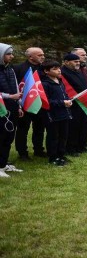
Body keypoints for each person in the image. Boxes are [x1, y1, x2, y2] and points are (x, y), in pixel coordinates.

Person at [14, 46, 46, 160]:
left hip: (40, 103)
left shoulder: (45, 68)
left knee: (40, 128)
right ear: (30, 56)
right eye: (39, 55)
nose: (43, 57)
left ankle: (38, 150)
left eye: (43, 54)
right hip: (24, 103)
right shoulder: (18, 68)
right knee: (23, 129)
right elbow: (15, 87)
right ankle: (22, 152)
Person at [41, 60, 73, 166]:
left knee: (64, 135)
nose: (59, 70)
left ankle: (61, 155)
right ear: (46, 71)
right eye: (54, 69)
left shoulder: (60, 81)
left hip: (64, 113)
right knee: (53, 136)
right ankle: (53, 157)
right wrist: (62, 102)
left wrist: (68, 100)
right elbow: (46, 101)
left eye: (59, 68)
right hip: (52, 115)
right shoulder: (45, 84)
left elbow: (64, 95)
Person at [0, 43, 23, 177]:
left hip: (12, 107)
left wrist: (18, 105)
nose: (12, 56)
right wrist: (10, 96)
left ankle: (4, 163)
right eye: (8, 54)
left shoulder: (10, 69)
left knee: (9, 136)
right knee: (1, 136)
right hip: (1, 108)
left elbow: (15, 87)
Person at [61, 53, 87, 155]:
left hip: (84, 101)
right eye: (75, 61)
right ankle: (71, 148)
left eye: (78, 61)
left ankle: (81, 145)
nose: (78, 63)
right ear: (66, 62)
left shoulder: (78, 71)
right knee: (74, 126)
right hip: (73, 103)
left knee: (83, 124)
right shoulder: (63, 72)